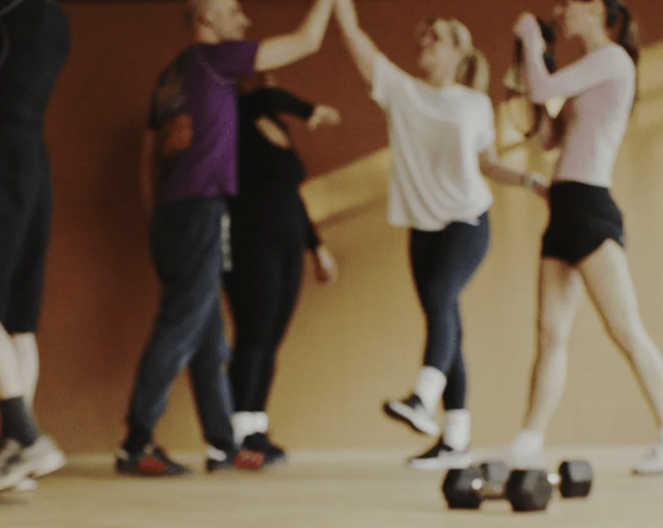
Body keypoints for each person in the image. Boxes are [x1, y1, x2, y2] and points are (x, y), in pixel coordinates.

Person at [117, 0, 335, 477]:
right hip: (200, 209)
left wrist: (156, 214)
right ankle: (136, 443)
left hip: (174, 212)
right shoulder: (214, 60)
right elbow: (306, 42)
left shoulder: (172, 74)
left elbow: (148, 152)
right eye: (233, 10)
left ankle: (223, 444)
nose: (245, 20)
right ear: (206, 17)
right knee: (179, 326)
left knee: (209, 339)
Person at [333, 0, 546, 470]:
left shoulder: (473, 103)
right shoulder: (400, 91)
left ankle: (423, 397)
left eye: (434, 40)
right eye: (421, 40)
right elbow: (355, 38)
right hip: (423, 229)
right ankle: (455, 441)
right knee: (445, 319)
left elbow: (488, 164)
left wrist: (531, 181)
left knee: (442, 295)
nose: (423, 46)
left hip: (468, 222)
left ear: (456, 50)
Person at [510, 0, 663, 475]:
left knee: (625, 329)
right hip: (563, 207)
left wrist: (531, 36)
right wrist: (533, 85)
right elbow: (550, 139)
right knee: (549, 334)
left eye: (567, 4)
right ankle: (527, 441)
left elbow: (544, 84)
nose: (557, 11)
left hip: (591, 208)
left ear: (596, 9)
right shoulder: (585, 71)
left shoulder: (612, 60)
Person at [224, 73, 340, 466]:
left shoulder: (280, 127)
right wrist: (311, 110)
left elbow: (293, 195)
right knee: (254, 331)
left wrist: (317, 246)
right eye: (263, 74)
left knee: (273, 335)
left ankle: (255, 427)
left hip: (288, 242)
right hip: (251, 241)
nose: (272, 81)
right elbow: (266, 96)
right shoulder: (236, 118)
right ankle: (238, 431)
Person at [0, 0, 70, 494]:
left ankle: (24, 437)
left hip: (3, 150)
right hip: (33, 157)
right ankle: (14, 453)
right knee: (20, 317)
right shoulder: (55, 17)